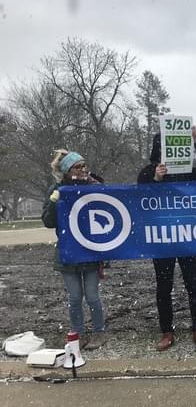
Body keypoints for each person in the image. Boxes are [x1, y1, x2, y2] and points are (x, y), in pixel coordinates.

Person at [137, 126, 196, 350]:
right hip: (162, 238)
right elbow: (140, 196)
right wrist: (155, 178)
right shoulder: (147, 172)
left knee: (194, 285)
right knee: (164, 287)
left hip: (187, 236)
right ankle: (167, 332)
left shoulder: (188, 170)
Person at [41, 150, 108, 350]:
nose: (82, 170)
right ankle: (77, 333)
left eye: (83, 165)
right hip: (68, 252)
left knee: (93, 296)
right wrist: (54, 201)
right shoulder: (58, 189)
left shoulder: (93, 187)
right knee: (75, 297)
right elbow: (48, 221)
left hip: (90, 250)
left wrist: (96, 184)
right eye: (77, 167)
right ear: (67, 171)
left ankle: (99, 332)